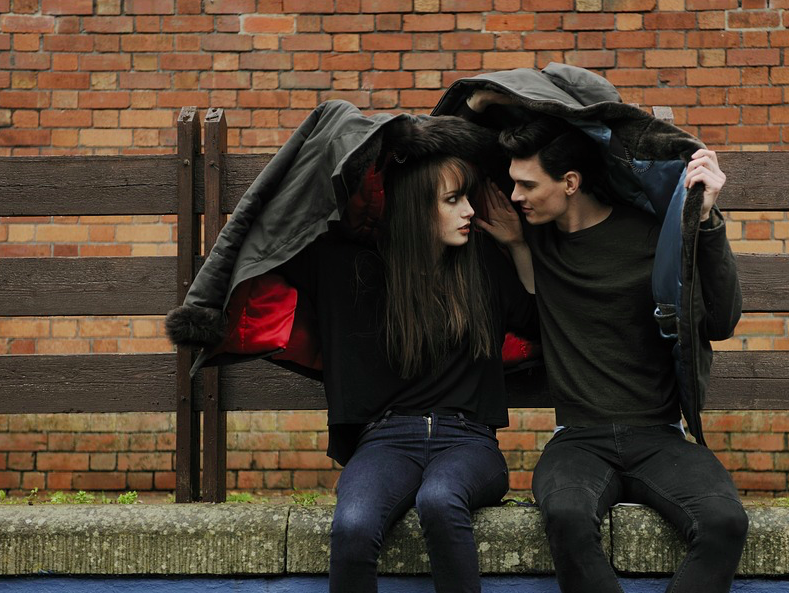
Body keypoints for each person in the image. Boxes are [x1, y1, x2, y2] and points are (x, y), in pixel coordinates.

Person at [474, 112, 748, 592]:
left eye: (527, 185)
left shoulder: (651, 236)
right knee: (566, 515)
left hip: (659, 436)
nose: (515, 196)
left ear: (570, 182)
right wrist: (516, 244)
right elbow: (530, 312)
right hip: (578, 439)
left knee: (725, 521)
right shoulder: (534, 237)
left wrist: (705, 220)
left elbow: (721, 321)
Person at [279, 139, 537, 593]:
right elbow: (287, 228)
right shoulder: (356, 269)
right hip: (386, 441)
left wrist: (516, 243)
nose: (469, 211)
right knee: (353, 524)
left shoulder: (480, 265)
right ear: (417, 208)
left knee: (440, 500)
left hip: (470, 442)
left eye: (467, 197)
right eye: (453, 199)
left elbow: (537, 321)